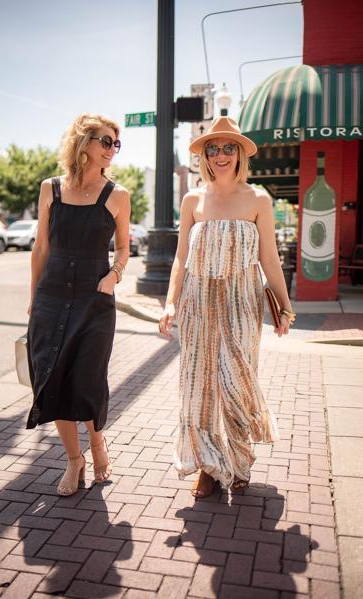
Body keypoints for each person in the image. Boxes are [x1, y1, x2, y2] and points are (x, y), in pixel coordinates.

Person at [159, 117, 295, 498]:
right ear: (204, 155)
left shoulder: (258, 199)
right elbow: (181, 258)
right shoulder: (192, 200)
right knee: (199, 384)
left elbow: (269, 258)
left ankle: (238, 459)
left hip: (241, 300)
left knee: (236, 382)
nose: (220, 155)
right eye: (213, 148)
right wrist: (170, 303)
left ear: (239, 154)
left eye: (228, 147)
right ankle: (207, 465)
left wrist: (285, 307)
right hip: (198, 301)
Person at [26, 113, 130, 496]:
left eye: (116, 143)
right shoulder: (50, 189)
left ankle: (97, 442)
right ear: (83, 143)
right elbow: (41, 247)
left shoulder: (117, 195)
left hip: (95, 300)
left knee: (87, 380)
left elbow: (124, 247)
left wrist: (114, 275)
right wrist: (34, 299)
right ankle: (74, 460)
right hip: (51, 298)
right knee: (52, 380)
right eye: (106, 141)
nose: (112, 149)